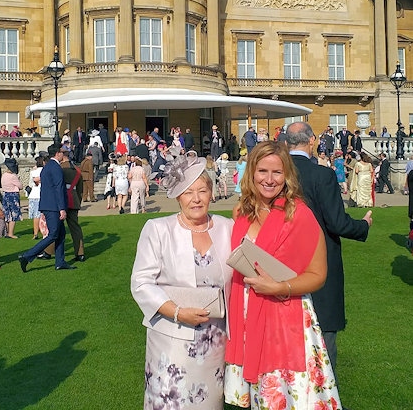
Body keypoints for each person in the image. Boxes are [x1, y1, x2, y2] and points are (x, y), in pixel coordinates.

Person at [224, 141, 341, 409]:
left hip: (285, 313)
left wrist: (278, 287)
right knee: (258, 399)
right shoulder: (240, 212)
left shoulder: (300, 214)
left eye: (276, 172)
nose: (269, 179)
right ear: (251, 172)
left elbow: (318, 274)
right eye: (262, 171)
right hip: (246, 312)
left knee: (286, 397)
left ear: (286, 175)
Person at [131, 151, 233, 409]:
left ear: (212, 192)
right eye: (188, 192)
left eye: (202, 191)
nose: (196, 199)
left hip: (215, 342)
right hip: (171, 340)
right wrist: (177, 312)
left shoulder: (227, 227)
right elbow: (141, 283)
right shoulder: (158, 229)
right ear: (178, 196)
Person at [286, 122, 372, 391]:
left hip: (282, 261)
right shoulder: (321, 175)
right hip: (318, 260)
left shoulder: (274, 172)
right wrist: (363, 226)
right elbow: (337, 223)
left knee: (288, 335)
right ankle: (325, 397)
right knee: (323, 337)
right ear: (311, 140)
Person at [18, 144, 76, 272]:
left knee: (60, 234)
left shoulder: (48, 166)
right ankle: (27, 256)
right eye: (62, 152)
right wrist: (62, 208)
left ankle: (60, 261)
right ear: (57, 153)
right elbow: (58, 189)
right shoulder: (55, 167)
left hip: (48, 204)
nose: (63, 154)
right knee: (54, 234)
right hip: (54, 206)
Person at [60, 147, 85, 262]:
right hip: (73, 198)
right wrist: (78, 201)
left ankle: (48, 251)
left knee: (55, 228)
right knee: (75, 228)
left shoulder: (59, 168)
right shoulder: (77, 169)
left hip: (61, 199)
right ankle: (80, 253)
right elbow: (80, 189)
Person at [1, 158, 23, 239]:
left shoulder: (4, 175)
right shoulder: (13, 176)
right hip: (13, 195)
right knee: (13, 215)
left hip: (5, 194)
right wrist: (19, 181)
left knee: (7, 214)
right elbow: (20, 186)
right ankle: (10, 233)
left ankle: (6, 232)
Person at [28, 156, 44, 239]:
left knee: (35, 216)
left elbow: (30, 184)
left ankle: (35, 233)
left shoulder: (33, 172)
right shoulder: (44, 171)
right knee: (42, 215)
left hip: (33, 194)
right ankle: (43, 231)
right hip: (41, 194)